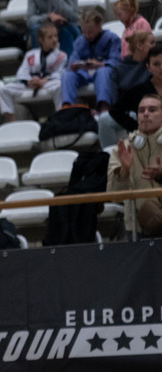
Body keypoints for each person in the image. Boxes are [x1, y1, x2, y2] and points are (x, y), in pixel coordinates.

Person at [107, 93, 162, 236]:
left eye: (152, 110)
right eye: (141, 110)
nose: (145, 114)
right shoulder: (122, 149)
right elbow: (114, 196)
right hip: (138, 229)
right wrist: (124, 170)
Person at [0, 22, 68, 122]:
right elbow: (22, 72)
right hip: (30, 85)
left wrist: (44, 80)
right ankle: (11, 121)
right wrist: (29, 81)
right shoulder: (30, 55)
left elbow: (61, 73)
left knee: (60, 86)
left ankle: (62, 117)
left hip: (49, 83)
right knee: (3, 90)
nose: (54, 40)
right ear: (41, 40)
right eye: (50, 37)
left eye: (56, 36)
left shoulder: (62, 56)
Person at [60, 6, 122, 114]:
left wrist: (100, 64)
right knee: (67, 75)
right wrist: (75, 65)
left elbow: (116, 61)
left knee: (103, 72)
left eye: (90, 31)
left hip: (103, 73)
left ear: (99, 26)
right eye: (84, 32)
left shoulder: (112, 39)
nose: (87, 35)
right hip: (84, 73)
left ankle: (104, 106)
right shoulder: (80, 41)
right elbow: (73, 60)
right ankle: (67, 107)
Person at [101, 44, 162, 147]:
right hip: (149, 143)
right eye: (156, 64)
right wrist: (136, 127)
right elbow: (115, 110)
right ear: (148, 67)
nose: (161, 68)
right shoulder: (139, 91)